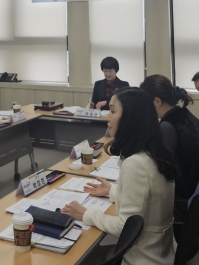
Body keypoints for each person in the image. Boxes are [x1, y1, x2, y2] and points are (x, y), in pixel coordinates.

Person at [62, 88, 177, 265]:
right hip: (159, 249)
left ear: (130, 118)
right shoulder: (154, 151)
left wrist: (86, 214)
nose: (108, 117)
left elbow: (124, 227)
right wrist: (112, 190)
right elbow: (148, 197)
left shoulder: (136, 164)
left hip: (144, 257)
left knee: (74, 257)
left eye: (113, 111)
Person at [140, 74, 199, 225]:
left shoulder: (168, 127)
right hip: (198, 194)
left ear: (157, 101)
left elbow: (157, 172)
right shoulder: (185, 115)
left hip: (182, 201)